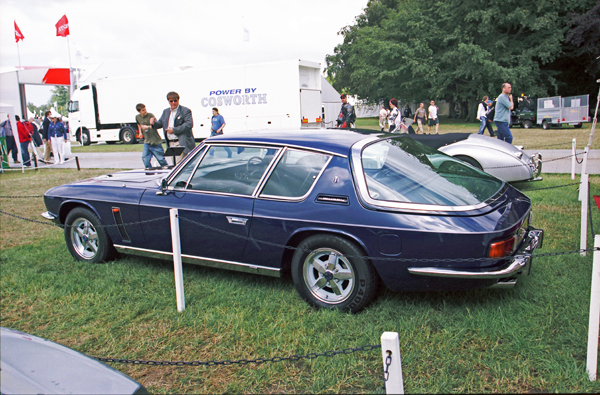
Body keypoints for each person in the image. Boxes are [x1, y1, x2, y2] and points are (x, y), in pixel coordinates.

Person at [151, 91, 195, 160]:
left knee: (178, 165)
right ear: (168, 101)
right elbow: (160, 123)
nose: (173, 103)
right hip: (171, 143)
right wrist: (153, 123)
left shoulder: (185, 111)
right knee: (175, 165)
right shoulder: (166, 112)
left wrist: (174, 130)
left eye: (175, 100)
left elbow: (189, 124)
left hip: (180, 143)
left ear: (178, 100)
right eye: (171, 101)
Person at [136, 103, 168, 169]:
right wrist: (140, 132)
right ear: (139, 111)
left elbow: (156, 124)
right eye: (143, 110)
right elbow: (139, 124)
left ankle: (167, 170)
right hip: (147, 141)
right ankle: (149, 172)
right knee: (145, 158)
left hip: (155, 141)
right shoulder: (137, 117)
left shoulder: (150, 115)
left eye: (145, 109)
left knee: (161, 159)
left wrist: (148, 126)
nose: (145, 111)